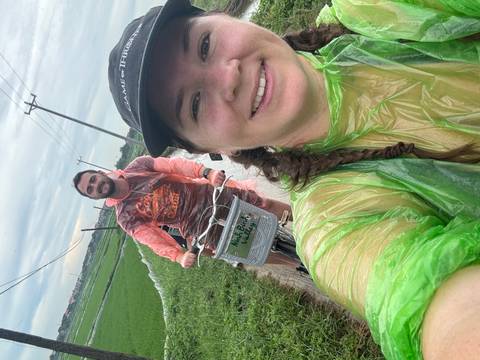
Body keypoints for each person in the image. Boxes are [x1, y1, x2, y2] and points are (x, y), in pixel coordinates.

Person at [107, 1, 480, 359]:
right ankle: (289, 263)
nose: (229, 77)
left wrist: (206, 174)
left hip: (214, 195)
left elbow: (178, 171)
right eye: (195, 105)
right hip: (197, 225)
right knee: (258, 247)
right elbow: (418, 296)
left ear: (225, 18)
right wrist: (179, 253)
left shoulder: (367, 12)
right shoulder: (335, 230)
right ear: (209, 145)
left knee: (264, 206)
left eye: (205, 45)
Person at [73, 155, 293, 269]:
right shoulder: (125, 217)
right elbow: (153, 240)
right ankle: (297, 264)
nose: (95, 186)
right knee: (232, 249)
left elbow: (174, 165)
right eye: (90, 190)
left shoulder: (139, 166)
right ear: (94, 197)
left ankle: (302, 216)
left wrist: (206, 172)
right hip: (191, 223)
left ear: (100, 173)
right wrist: (178, 256)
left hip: (206, 193)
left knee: (260, 203)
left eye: (92, 180)